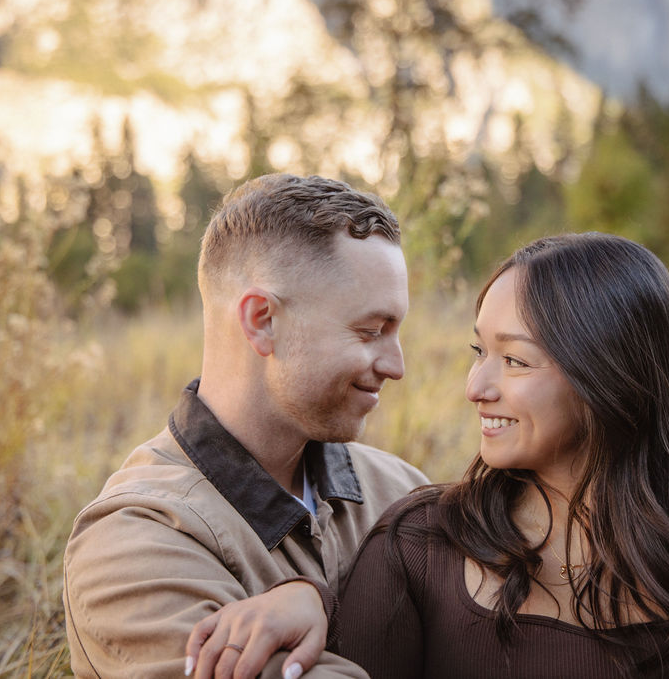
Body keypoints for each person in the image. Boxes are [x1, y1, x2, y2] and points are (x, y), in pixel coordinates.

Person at [337, 233, 669, 678]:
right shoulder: (419, 548)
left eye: (514, 360)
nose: (475, 387)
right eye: (479, 351)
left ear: (607, 378)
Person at [62, 173, 429, 679]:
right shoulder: (132, 544)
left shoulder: (405, 492)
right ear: (262, 320)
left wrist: (320, 606)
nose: (396, 365)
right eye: (370, 331)